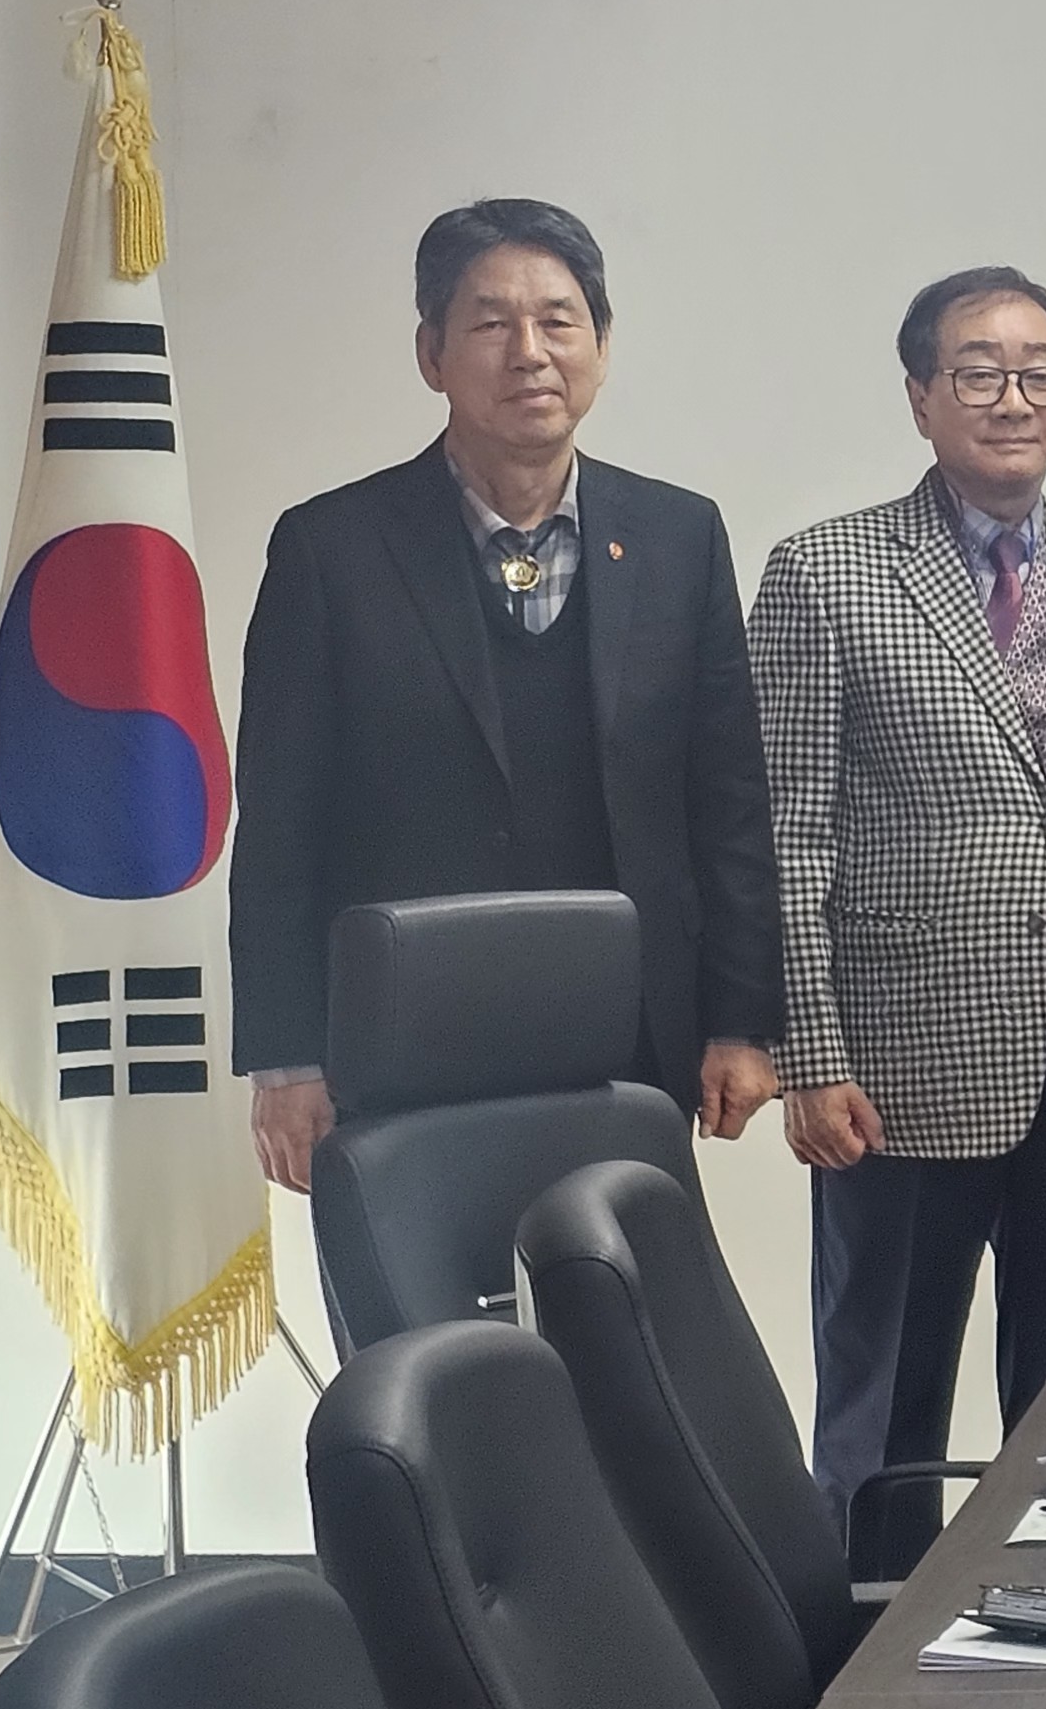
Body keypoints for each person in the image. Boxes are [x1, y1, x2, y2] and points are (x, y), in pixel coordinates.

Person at [752, 267, 1046, 1569]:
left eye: (1039, 372)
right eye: (978, 372)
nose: (1012, 398)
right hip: (899, 1064)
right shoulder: (826, 571)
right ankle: (859, 1646)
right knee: (886, 1399)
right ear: (921, 397)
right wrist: (810, 1056)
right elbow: (787, 837)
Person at [231, 199, 778, 1188]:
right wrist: (285, 1058)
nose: (530, 352)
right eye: (491, 323)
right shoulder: (331, 548)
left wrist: (741, 1020)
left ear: (601, 346)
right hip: (407, 1030)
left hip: (627, 1030)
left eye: (559, 321)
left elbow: (728, 799)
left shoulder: (679, 536)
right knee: (426, 1289)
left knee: (617, 1281)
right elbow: (278, 823)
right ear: (431, 354)